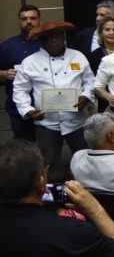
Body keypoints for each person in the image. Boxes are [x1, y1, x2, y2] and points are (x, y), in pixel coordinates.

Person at [11, 20, 92, 182]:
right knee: (48, 164)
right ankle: (48, 197)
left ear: (64, 37)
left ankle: (89, 191)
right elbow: (20, 90)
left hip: (75, 121)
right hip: (46, 123)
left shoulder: (78, 57)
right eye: (49, 37)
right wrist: (28, 110)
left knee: (86, 161)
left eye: (58, 36)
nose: (54, 40)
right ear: (42, 39)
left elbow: (90, 81)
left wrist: (86, 97)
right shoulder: (30, 62)